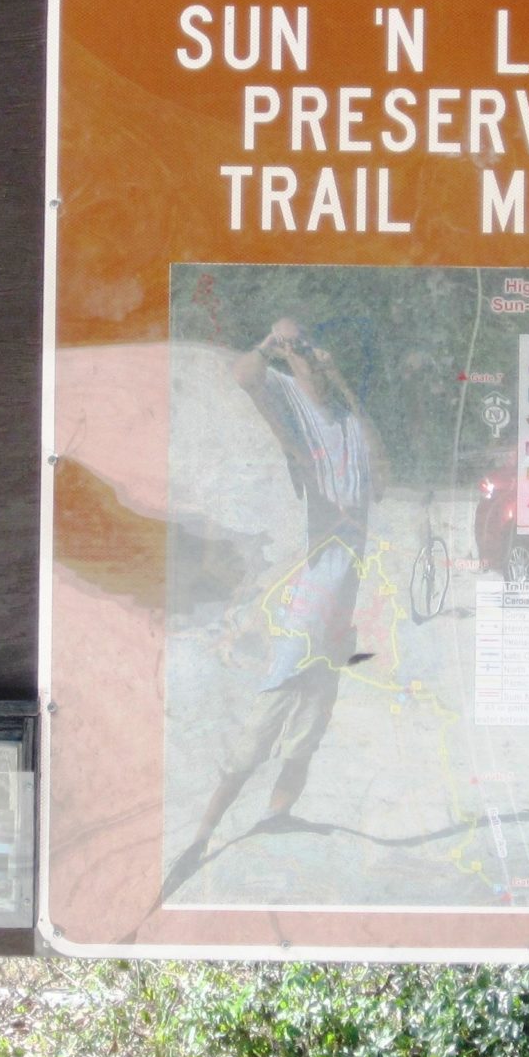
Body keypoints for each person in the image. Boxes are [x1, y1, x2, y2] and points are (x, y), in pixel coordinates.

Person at [164, 316, 378, 897]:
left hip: (337, 614)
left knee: (309, 733)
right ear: (288, 356)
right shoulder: (290, 398)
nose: (313, 355)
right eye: (301, 349)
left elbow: (380, 468)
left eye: (315, 346)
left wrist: (334, 375)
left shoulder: (346, 417)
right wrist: (274, 343)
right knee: (256, 738)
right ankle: (201, 838)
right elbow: (245, 375)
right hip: (309, 609)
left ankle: (277, 815)